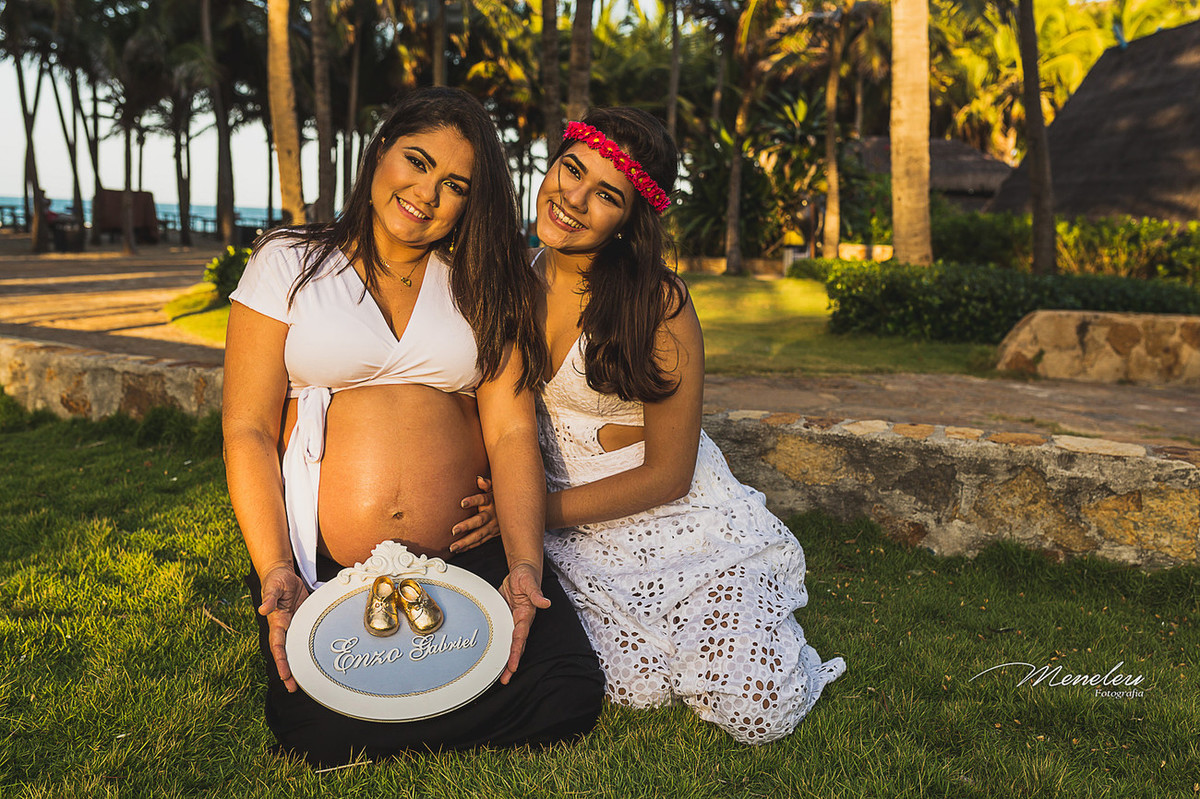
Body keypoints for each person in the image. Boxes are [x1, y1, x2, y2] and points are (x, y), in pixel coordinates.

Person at [221, 87, 603, 767]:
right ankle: (426, 690)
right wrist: (276, 565)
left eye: (455, 184)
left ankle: (416, 696)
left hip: (464, 548)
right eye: (417, 162)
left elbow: (511, 432)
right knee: (312, 731)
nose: (427, 193)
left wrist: (523, 562)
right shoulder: (288, 260)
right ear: (379, 153)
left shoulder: (483, 281)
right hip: (325, 557)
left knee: (568, 689)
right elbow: (248, 428)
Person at [454, 108, 845, 744]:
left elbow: (669, 474)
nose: (573, 199)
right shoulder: (509, 281)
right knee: (591, 675)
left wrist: (522, 510)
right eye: (571, 170)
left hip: (669, 520)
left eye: (607, 195)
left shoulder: (657, 303)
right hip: (558, 531)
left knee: (754, 706)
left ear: (631, 218)